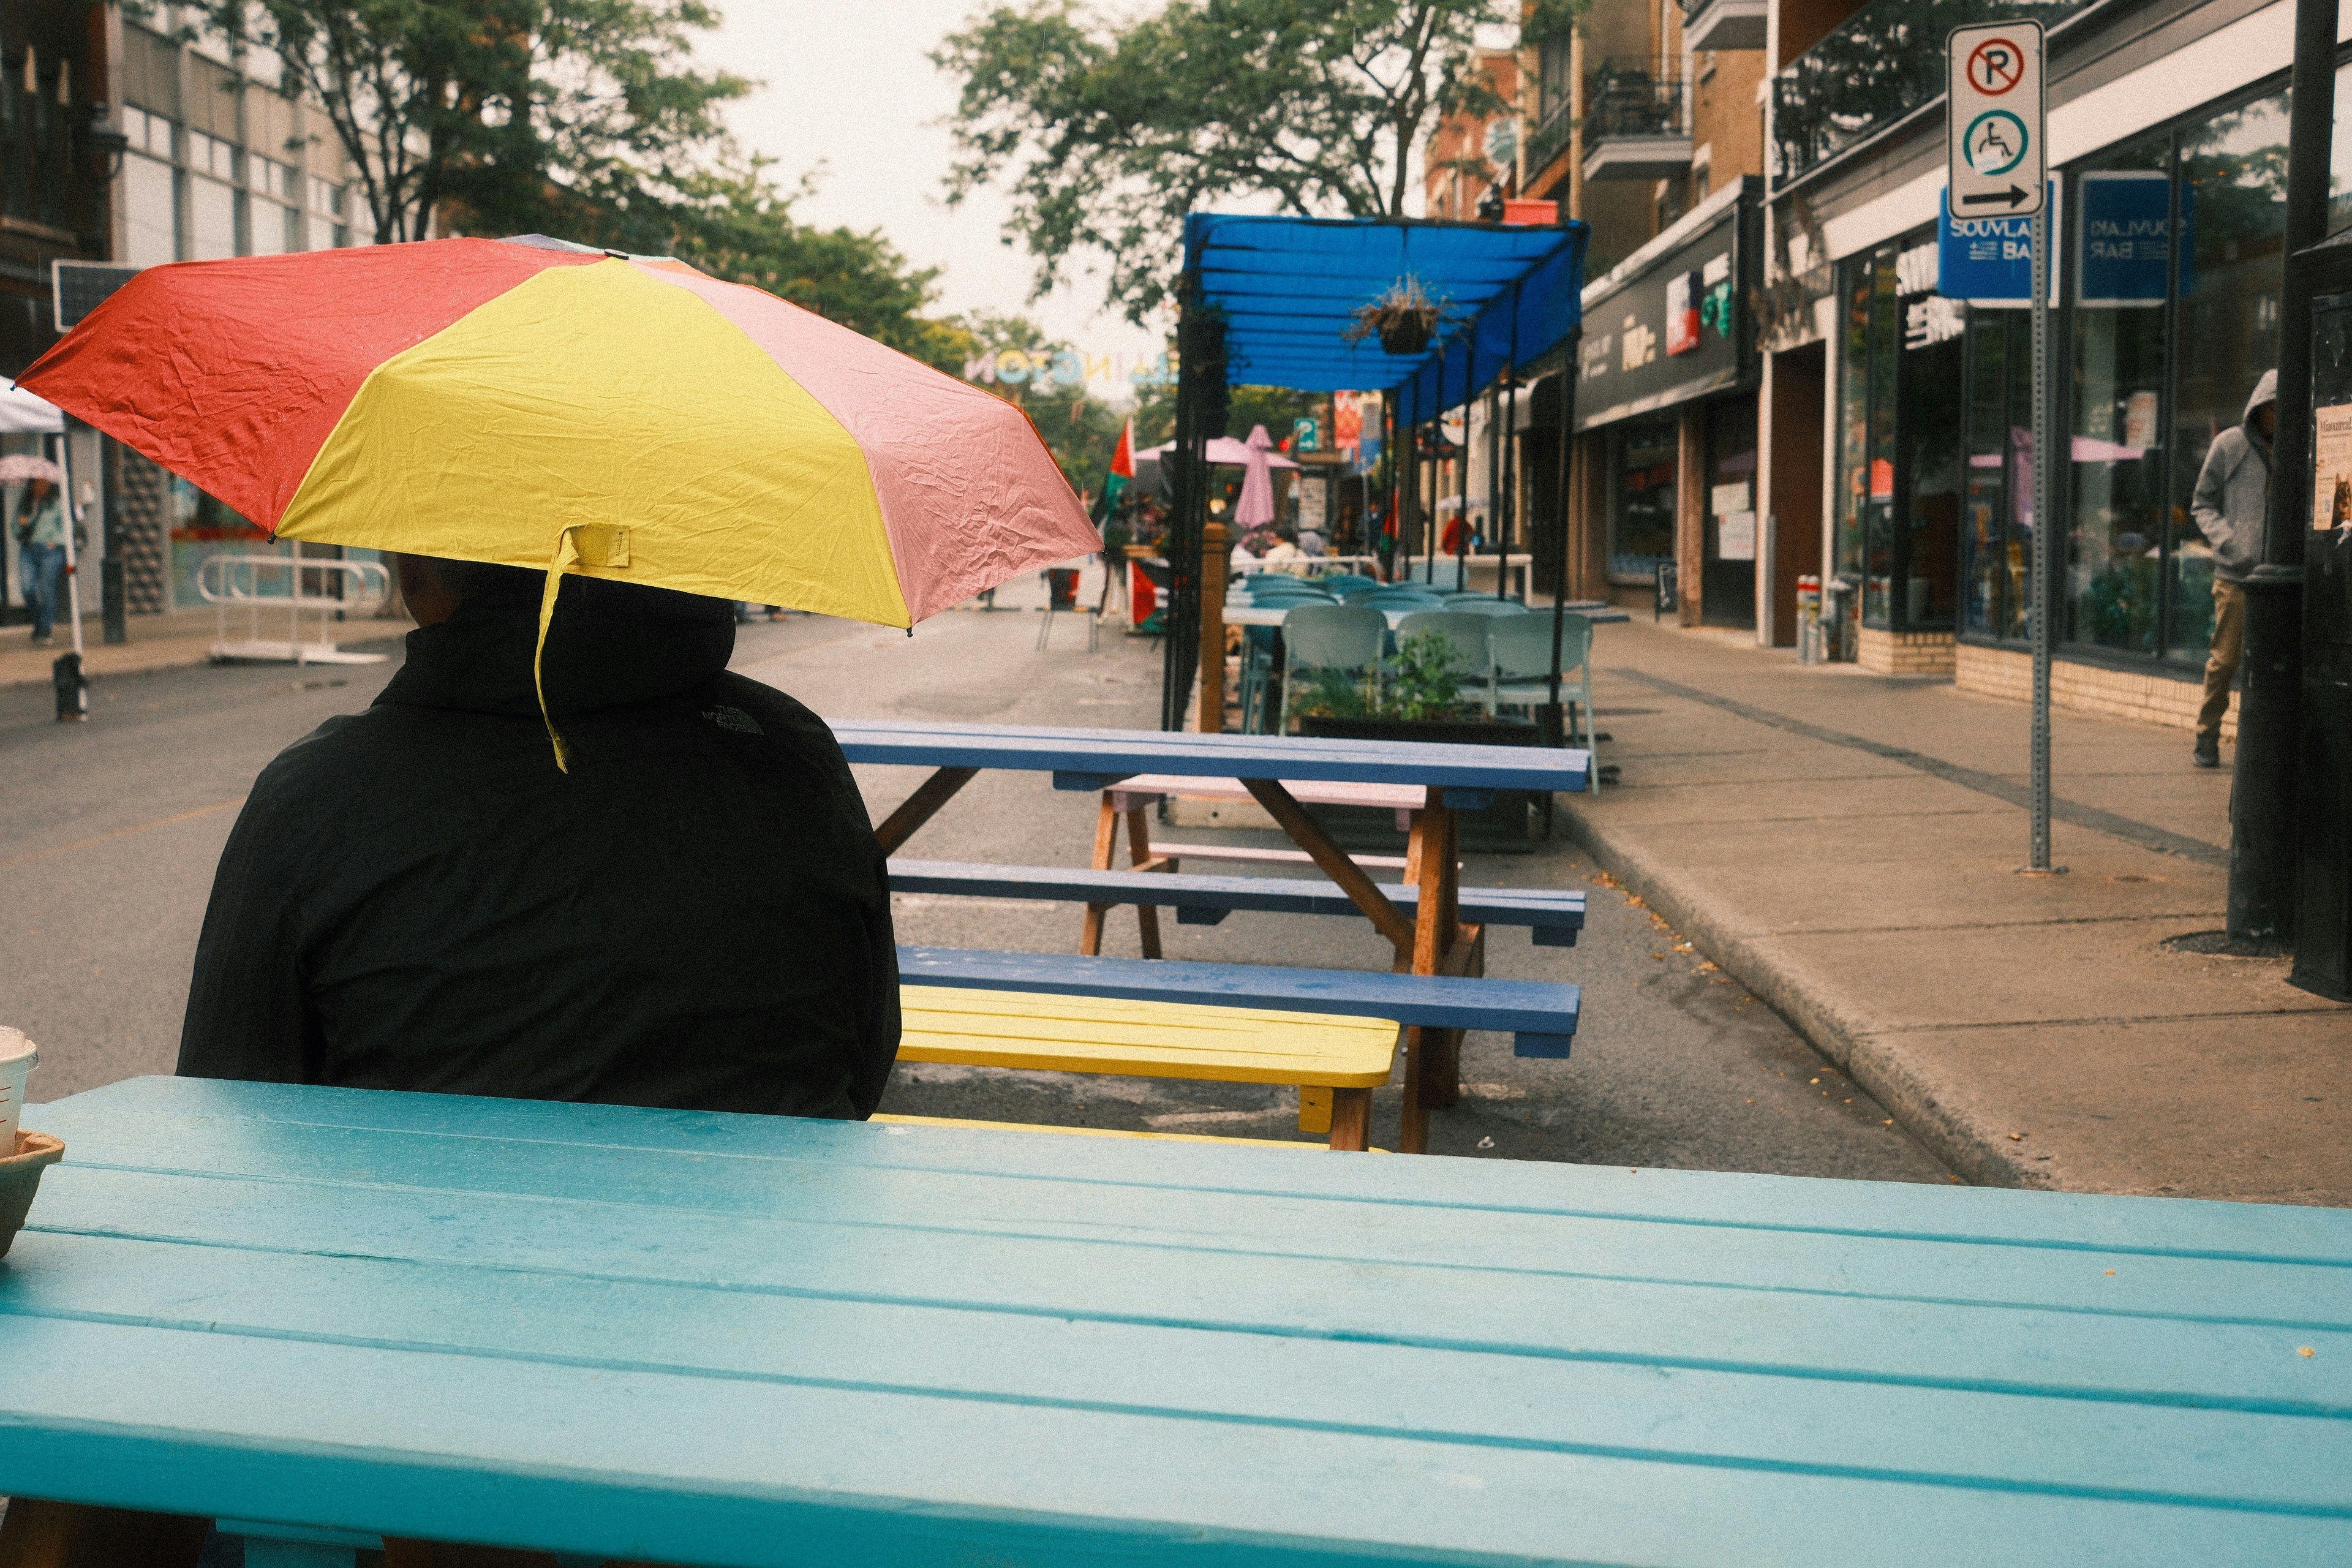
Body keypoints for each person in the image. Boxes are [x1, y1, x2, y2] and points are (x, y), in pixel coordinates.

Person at [178, 555, 900, 1118]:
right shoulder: (793, 752)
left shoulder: (315, 798)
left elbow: (226, 1109)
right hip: (776, 1285)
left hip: (421, 1290)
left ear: (416, 577)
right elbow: (865, 1061)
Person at [2188, 369, 2275, 769]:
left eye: (2282, 410)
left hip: (2280, 578)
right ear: (2257, 409)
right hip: (2236, 576)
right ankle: (2207, 734)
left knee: (2274, 664)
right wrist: (2231, 544)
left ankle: (2267, 742)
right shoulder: (2230, 445)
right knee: (2225, 660)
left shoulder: (2297, 449)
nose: (2275, 417)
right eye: (2269, 409)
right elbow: (2202, 503)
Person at [13, 476, 66, 646]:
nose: (41, 487)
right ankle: (39, 623)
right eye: (38, 483)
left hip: (49, 552)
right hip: (28, 550)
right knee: (27, 589)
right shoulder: (25, 505)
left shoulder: (55, 504)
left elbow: (66, 527)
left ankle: (45, 629)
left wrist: (56, 542)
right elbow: (15, 529)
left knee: (46, 589)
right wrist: (23, 523)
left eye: (45, 483)